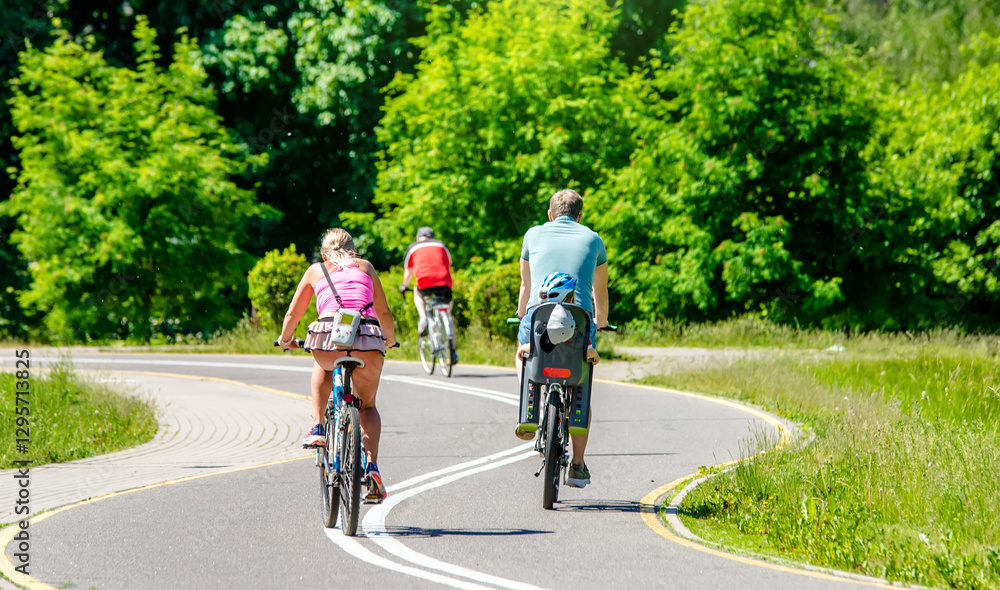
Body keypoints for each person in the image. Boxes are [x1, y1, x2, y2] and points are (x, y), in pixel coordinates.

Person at [277, 228, 397, 503]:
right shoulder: (366, 267)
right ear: (354, 251)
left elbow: (294, 312)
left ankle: (318, 425)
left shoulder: (315, 270)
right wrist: (389, 341)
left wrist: (285, 339)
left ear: (323, 254)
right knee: (367, 406)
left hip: (328, 336)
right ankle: (371, 467)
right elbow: (384, 312)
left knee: (323, 364)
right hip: (367, 338)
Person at [515, 189, 609, 489]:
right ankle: (577, 466)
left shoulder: (532, 234)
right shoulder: (593, 239)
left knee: (523, 350)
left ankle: (528, 402)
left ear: (550, 215)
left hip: (538, 317)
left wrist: (521, 315)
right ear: (580, 216)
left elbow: (526, 284)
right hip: (579, 321)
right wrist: (601, 321)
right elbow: (600, 290)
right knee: (581, 381)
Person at [399, 226, 458, 364]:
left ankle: (424, 318)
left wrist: (403, 286)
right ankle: (452, 349)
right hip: (444, 284)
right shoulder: (441, 245)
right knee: (448, 313)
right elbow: (448, 264)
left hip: (424, 285)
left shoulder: (413, 247)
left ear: (418, 237)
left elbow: (408, 274)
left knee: (416, 292)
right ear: (431, 236)